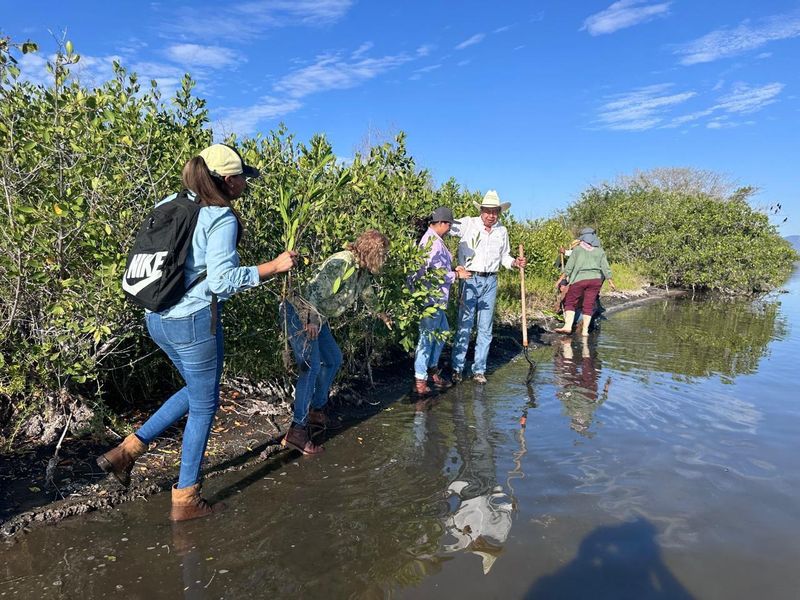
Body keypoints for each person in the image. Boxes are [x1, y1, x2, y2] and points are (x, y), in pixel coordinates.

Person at [97, 144, 297, 521]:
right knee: (205, 404)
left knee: (196, 390)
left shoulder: (171, 201)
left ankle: (128, 450)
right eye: (241, 178)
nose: (245, 184)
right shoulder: (220, 217)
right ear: (225, 180)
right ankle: (186, 497)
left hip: (157, 318)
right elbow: (221, 282)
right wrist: (273, 266)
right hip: (193, 323)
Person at [281, 229, 391, 455]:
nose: (384, 259)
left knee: (333, 359)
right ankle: (297, 430)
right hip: (300, 312)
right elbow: (311, 291)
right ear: (372, 251)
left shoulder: (360, 271)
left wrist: (382, 314)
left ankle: (316, 411)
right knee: (310, 368)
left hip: (317, 318)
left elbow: (367, 294)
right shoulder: (342, 262)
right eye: (383, 254)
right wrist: (309, 319)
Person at [450, 190, 526, 384]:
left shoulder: (502, 231)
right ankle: (457, 368)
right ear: (481, 210)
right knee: (465, 325)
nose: (491, 215)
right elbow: (446, 227)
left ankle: (479, 370)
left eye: (495, 212)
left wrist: (515, 263)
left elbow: (504, 257)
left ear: (499, 212)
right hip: (469, 279)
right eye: (488, 211)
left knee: (485, 328)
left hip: (491, 281)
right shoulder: (468, 223)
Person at [412, 207, 471, 396]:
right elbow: (431, 273)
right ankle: (420, 380)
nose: (450, 228)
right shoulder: (432, 242)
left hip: (436, 299)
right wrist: (456, 274)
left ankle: (431, 370)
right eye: (450, 224)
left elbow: (437, 268)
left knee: (443, 332)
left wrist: (455, 268)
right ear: (443, 223)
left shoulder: (435, 240)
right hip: (430, 299)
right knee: (427, 338)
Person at [555, 227, 616, 337]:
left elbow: (568, 268)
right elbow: (606, 268)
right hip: (595, 281)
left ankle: (568, 326)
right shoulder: (600, 251)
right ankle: (585, 332)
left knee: (570, 301)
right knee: (588, 305)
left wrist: (559, 280)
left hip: (580, 280)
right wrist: (611, 281)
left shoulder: (577, 250)